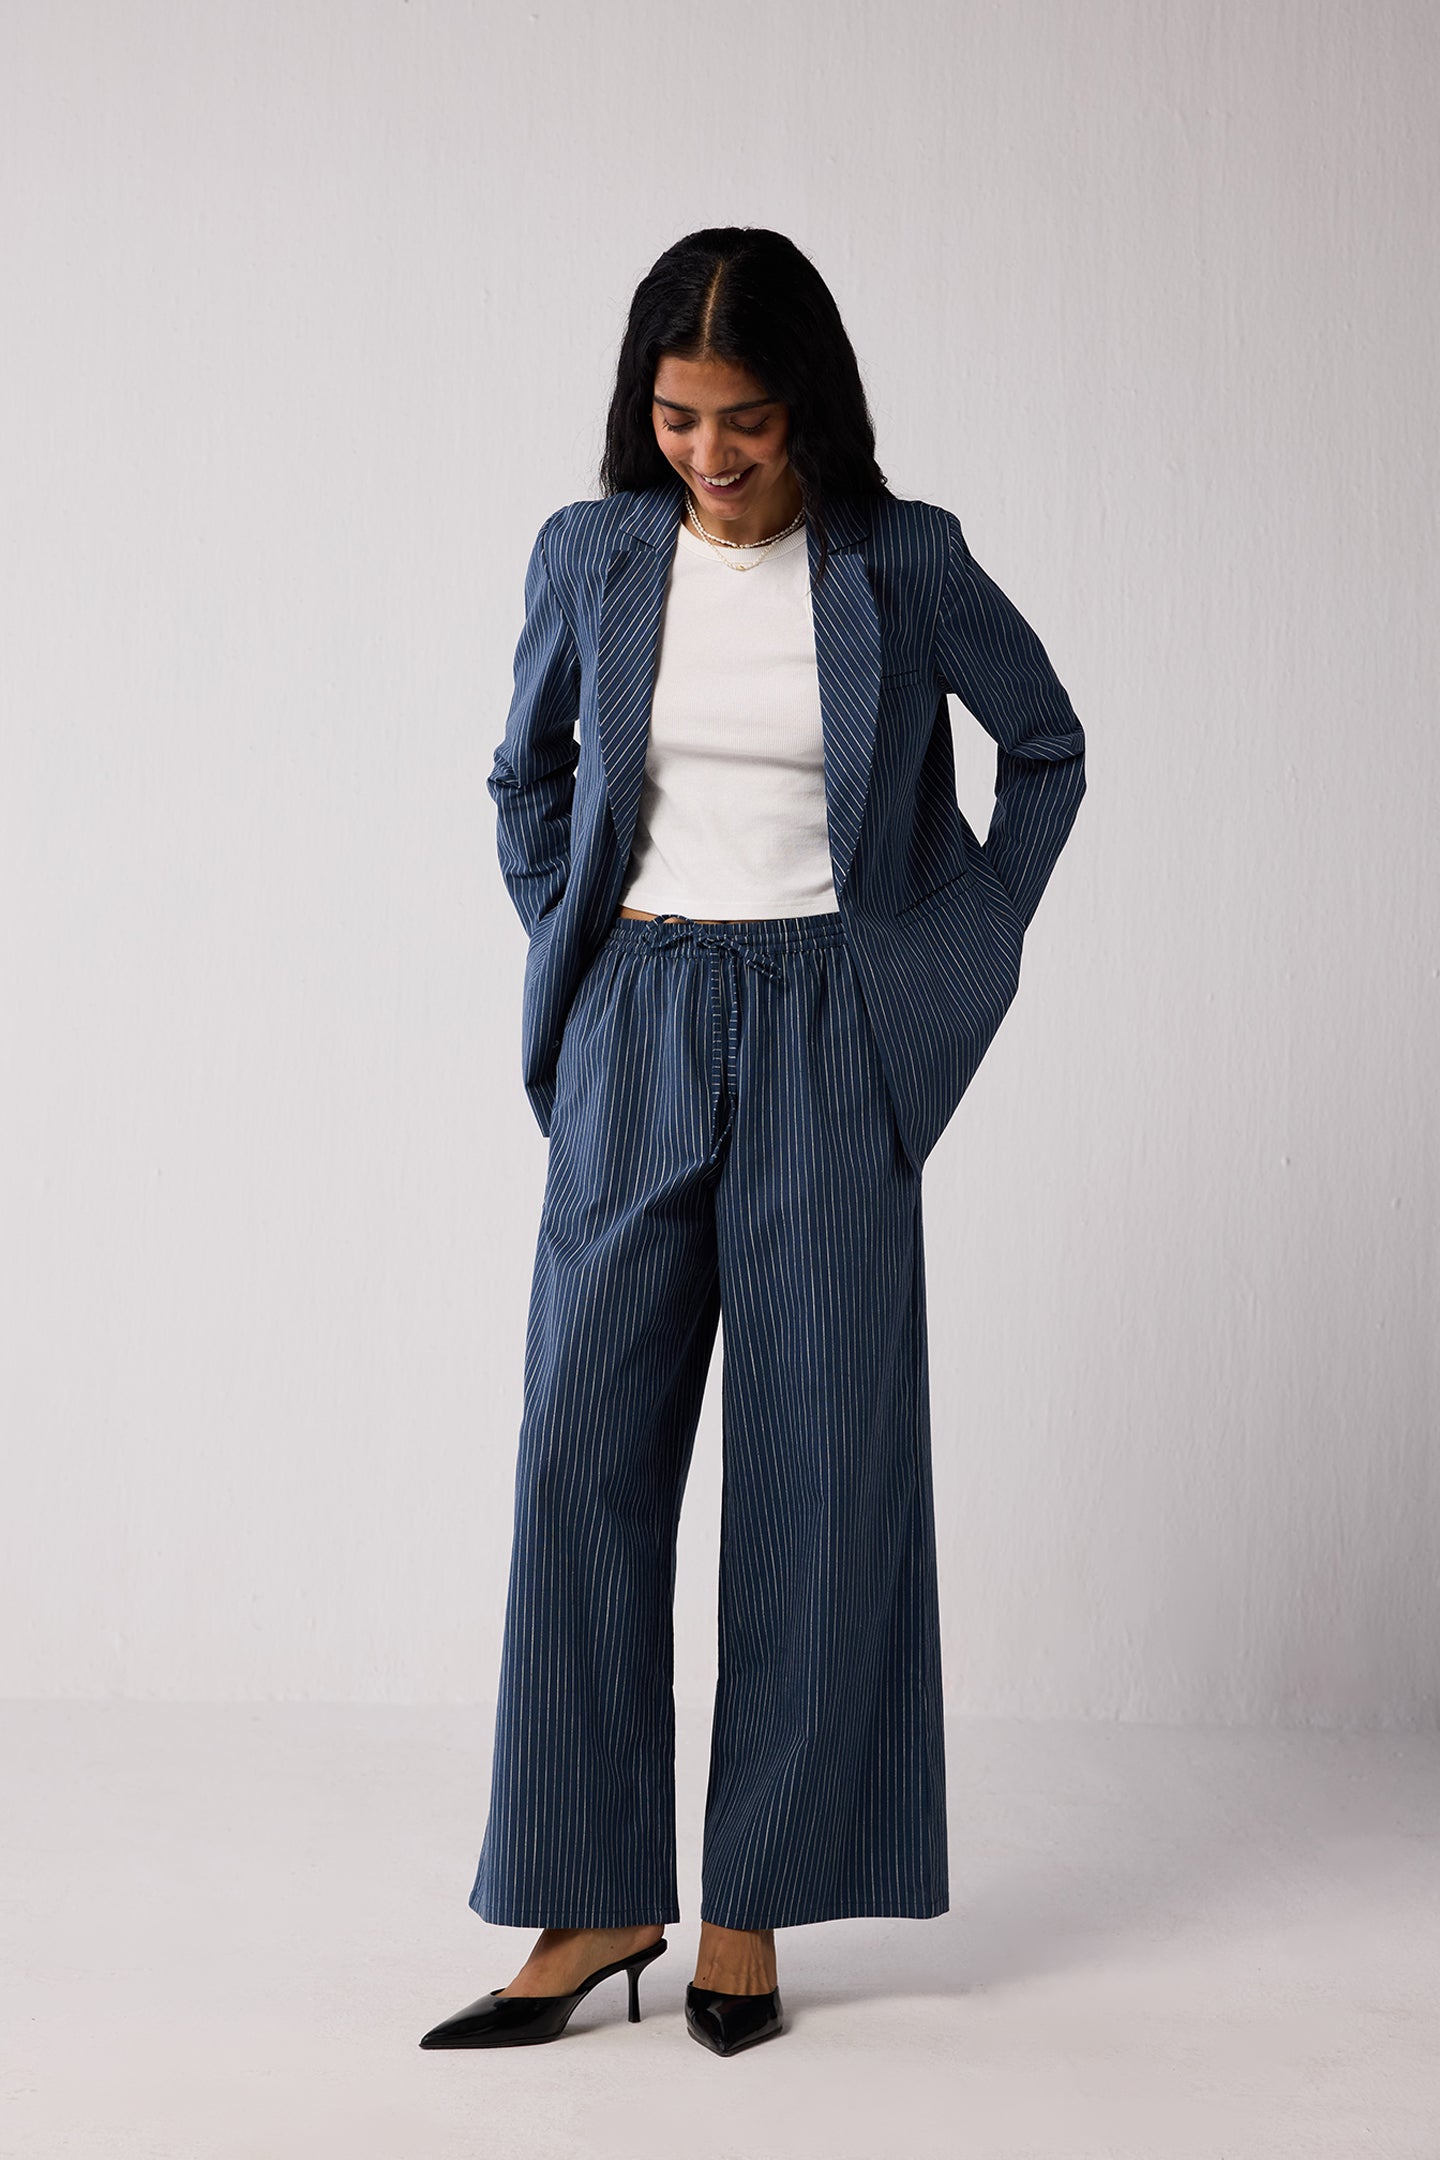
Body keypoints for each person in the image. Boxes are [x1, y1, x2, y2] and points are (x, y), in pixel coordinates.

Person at [419, 226, 1086, 2059]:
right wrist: (576, 940)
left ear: (814, 412)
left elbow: (1047, 749)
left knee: (818, 1472)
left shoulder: (903, 562)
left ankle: (746, 1910)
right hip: (638, 1020)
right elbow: (523, 774)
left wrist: (936, 970)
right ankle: (592, 1895)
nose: (713, 453)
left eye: (749, 419)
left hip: (828, 1032)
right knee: (581, 1455)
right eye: (679, 414)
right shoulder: (594, 553)